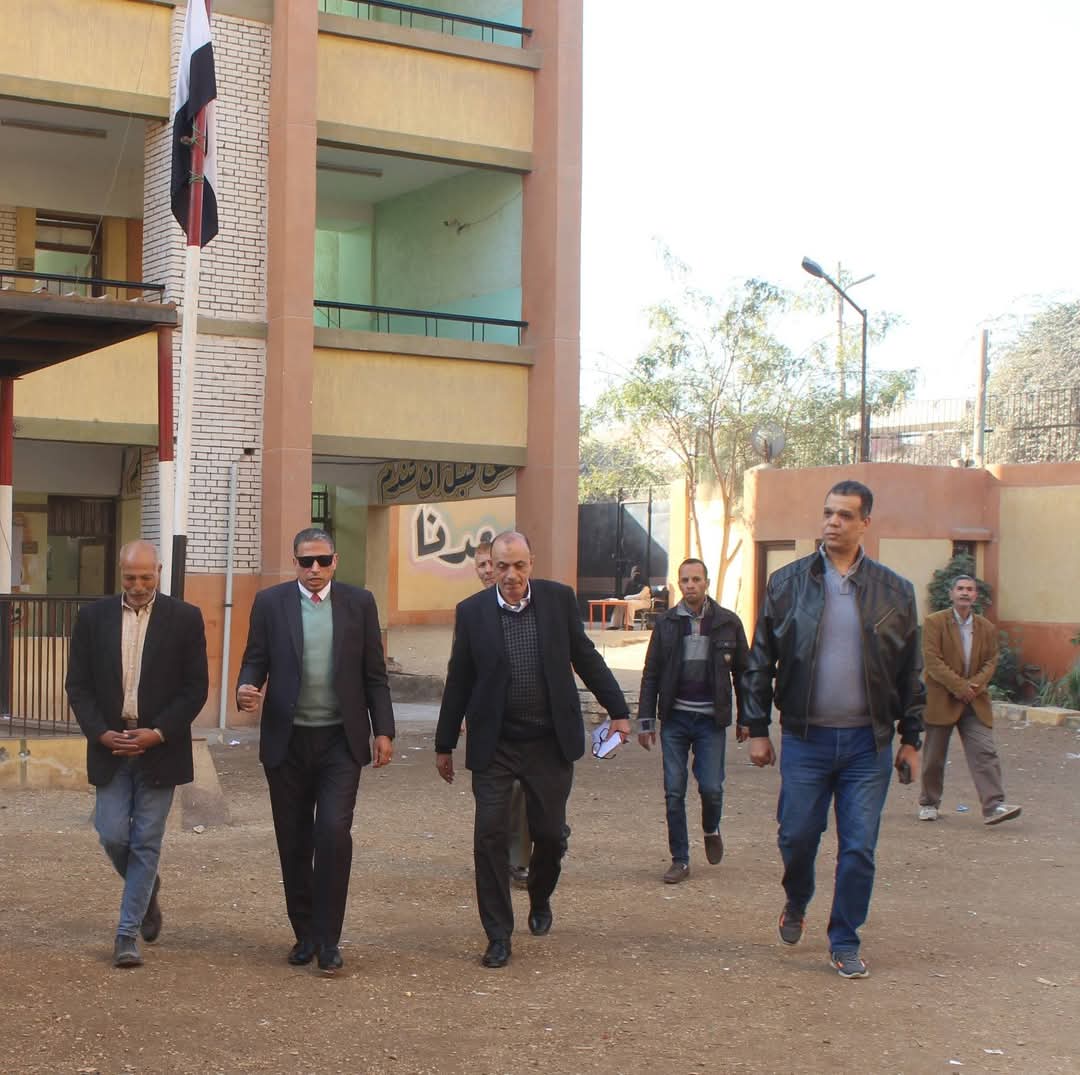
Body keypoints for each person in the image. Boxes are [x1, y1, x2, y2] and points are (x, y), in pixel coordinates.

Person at [742, 480, 924, 979]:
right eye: (828, 513)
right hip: (807, 739)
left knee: (859, 847)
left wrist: (911, 739)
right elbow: (760, 661)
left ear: (865, 523)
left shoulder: (895, 592)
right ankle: (797, 898)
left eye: (844, 515)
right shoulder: (787, 584)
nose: (833, 523)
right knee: (797, 835)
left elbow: (911, 671)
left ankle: (844, 939)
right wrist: (756, 728)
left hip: (868, 744)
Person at [435, 530, 630, 968]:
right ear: (491, 567)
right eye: (502, 566)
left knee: (550, 834)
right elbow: (459, 679)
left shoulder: (558, 601)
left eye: (519, 566)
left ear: (531, 564)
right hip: (496, 745)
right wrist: (444, 744)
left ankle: (540, 897)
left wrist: (618, 710)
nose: (511, 575)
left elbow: (586, 658)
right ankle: (498, 935)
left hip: (548, 742)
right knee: (489, 836)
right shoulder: (472, 612)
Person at [237, 527, 394, 975]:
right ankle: (304, 932)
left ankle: (329, 939)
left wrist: (383, 730)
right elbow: (255, 659)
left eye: (323, 560)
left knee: (332, 833)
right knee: (293, 841)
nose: (315, 569)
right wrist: (246, 687)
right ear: (295, 563)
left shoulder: (359, 604)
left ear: (335, 561)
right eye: (306, 561)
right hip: (287, 742)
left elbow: (374, 674)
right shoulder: (271, 604)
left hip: (340, 741)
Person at [66, 541, 208, 968]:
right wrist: (100, 733)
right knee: (112, 833)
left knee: (146, 840)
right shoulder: (92, 618)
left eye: (146, 576)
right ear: (120, 573)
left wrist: (158, 733)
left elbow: (195, 689)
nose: (139, 585)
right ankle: (146, 890)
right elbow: (78, 686)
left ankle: (126, 935)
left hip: (160, 749)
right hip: (110, 747)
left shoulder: (185, 619)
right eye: (131, 577)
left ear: (159, 571)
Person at [637, 558, 749, 883]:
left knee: (711, 788)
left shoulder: (728, 623)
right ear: (679, 584)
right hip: (675, 719)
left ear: (706, 583)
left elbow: (744, 674)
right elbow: (651, 673)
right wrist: (646, 720)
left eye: (696, 579)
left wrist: (747, 718)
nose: (690, 585)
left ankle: (711, 828)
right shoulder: (667, 623)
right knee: (674, 791)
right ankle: (680, 859)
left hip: (710, 721)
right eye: (685, 580)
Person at [919, 574, 1021, 825]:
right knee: (934, 756)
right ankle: (929, 803)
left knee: (985, 751)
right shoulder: (934, 622)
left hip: (974, 700)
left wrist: (971, 687)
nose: (965, 593)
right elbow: (932, 660)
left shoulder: (986, 627)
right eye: (960, 588)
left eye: (970, 589)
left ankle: (993, 806)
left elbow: (991, 661)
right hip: (942, 698)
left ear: (976, 595)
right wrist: (959, 686)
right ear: (951, 593)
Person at [474, 539, 531, 888]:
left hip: (527, 722)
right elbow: (462, 671)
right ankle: (500, 857)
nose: (487, 571)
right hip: (488, 724)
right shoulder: (472, 612)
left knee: (522, 792)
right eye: (481, 566)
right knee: (498, 798)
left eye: (489, 564)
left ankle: (520, 857)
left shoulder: (533, 606)